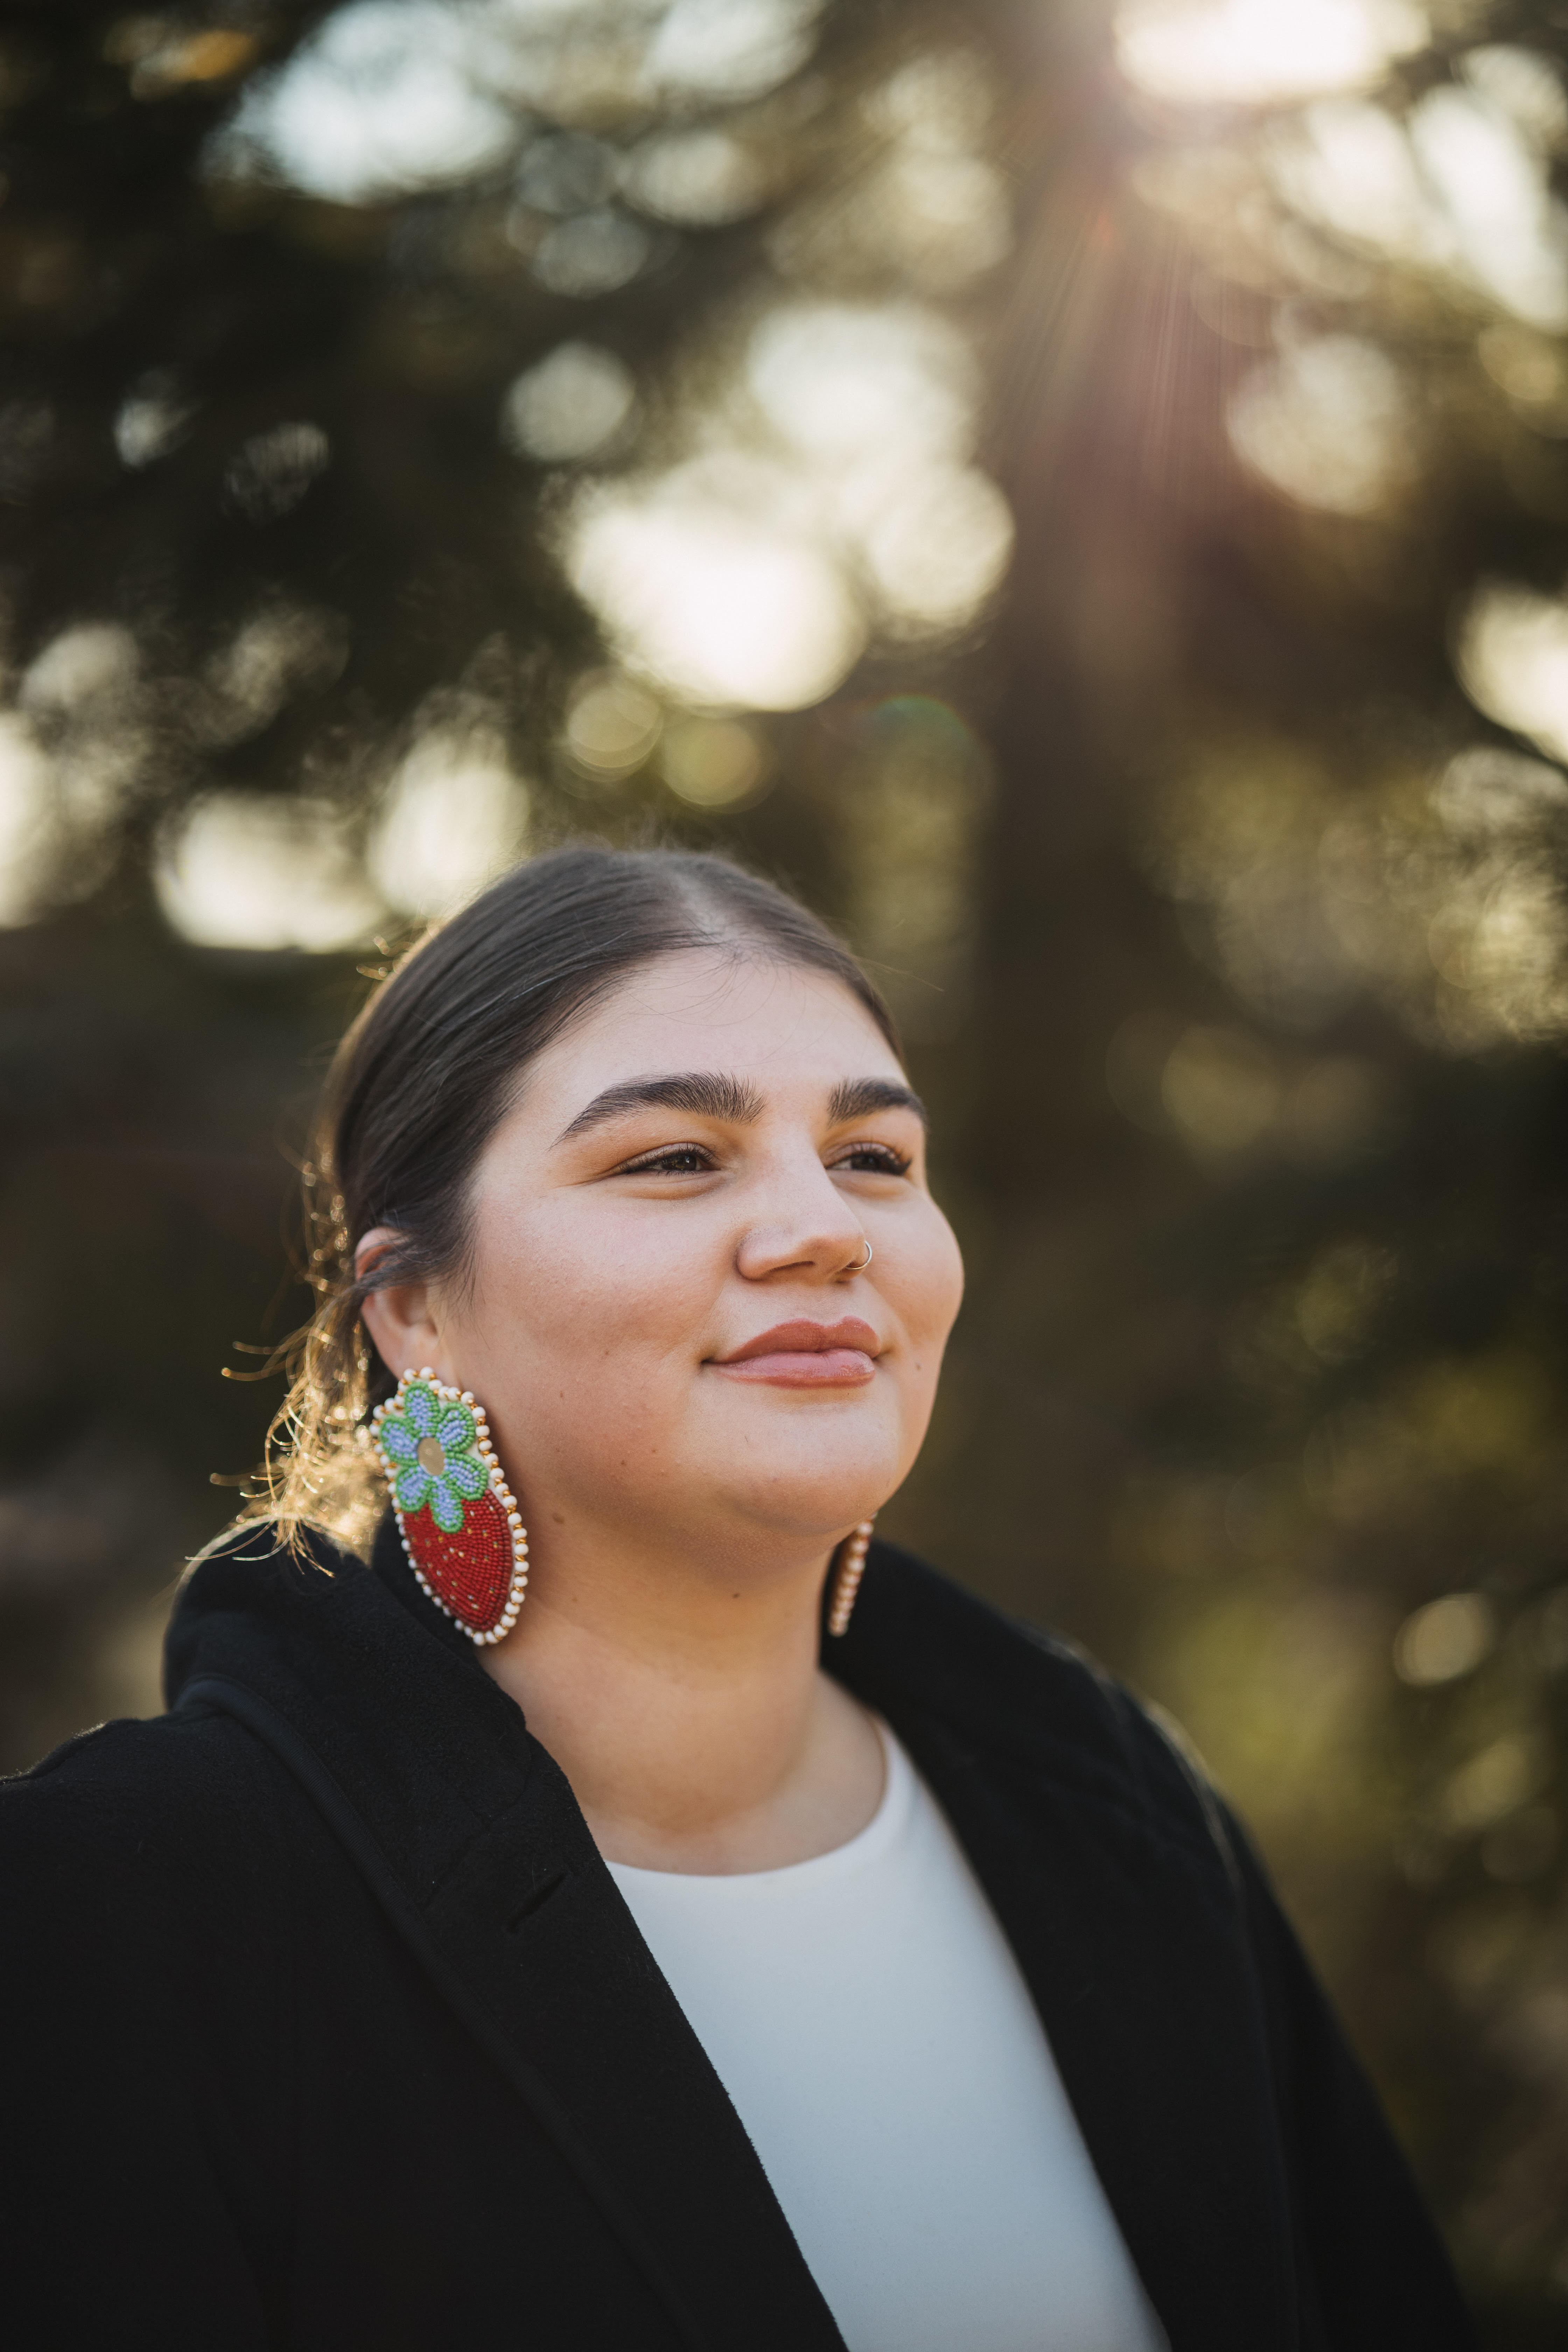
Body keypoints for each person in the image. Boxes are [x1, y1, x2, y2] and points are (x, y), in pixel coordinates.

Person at [1, 845, 1472, 2352]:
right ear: (416, 1308)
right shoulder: (116, 1915)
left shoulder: (1125, 1816)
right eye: (675, 1159)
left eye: (874, 1157)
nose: (825, 1227)